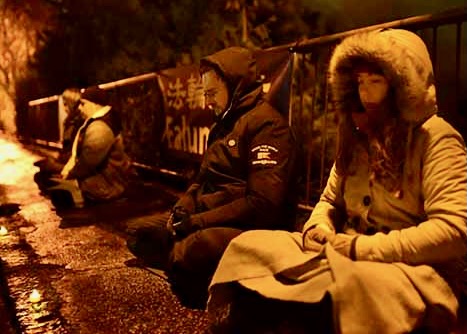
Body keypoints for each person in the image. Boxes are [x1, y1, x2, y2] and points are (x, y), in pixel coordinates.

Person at [206, 29, 467, 333]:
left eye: (376, 81)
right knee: (252, 245)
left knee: (354, 286)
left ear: (402, 86)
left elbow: (453, 229)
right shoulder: (358, 137)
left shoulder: (437, 138)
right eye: (359, 83)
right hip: (345, 250)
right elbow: (329, 201)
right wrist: (319, 228)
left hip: (410, 268)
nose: (365, 95)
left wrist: (361, 248)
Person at [126, 46, 299, 309]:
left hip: (250, 225)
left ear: (235, 85)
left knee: (194, 247)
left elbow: (263, 204)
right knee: (138, 234)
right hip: (208, 212)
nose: (207, 102)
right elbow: (202, 177)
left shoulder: (266, 125)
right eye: (205, 94)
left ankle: (195, 267)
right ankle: (192, 266)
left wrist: (197, 222)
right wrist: (184, 204)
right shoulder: (222, 124)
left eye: (211, 93)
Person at [41, 86, 134, 208]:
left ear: (95, 104)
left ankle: (80, 197)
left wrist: (69, 175)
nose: (80, 108)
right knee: (51, 183)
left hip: (107, 185)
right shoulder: (99, 122)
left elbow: (89, 162)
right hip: (105, 180)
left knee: (56, 192)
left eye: (83, 104)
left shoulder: (100, 127)